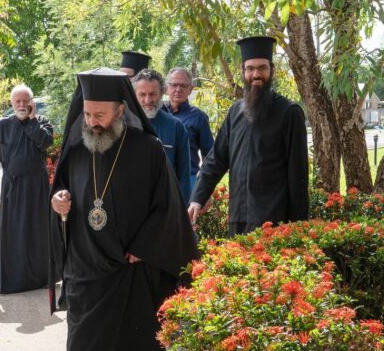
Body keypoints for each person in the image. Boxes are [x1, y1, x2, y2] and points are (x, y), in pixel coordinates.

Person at [48, 68, 198, 351]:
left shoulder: (147, 150)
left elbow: (168, 207)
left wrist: (145, 245)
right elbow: (63, 192)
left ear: (119, 111)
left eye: (100, 115)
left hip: (130, 266)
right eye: (87, 115)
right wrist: (59, 201)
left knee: (131, 344)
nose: (92, 123)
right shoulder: (77, 147)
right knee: (82, 350)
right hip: (85, 266)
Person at [188, 36, 309, 235]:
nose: (256, 74)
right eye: (250, 68)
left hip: (274, 222)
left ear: (272, 70)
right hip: (238, 218)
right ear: (243, 71)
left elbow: (298, 176)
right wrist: (197, 198)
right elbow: (216, 159)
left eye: (262, 68)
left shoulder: (289, 112)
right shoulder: (236, 111)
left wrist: (299, 228)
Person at [0, 84, 55, 294]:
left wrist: (32, 120)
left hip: (37, 187)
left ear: (31, 103)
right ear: (11, 103)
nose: (21, 105)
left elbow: (45, 142)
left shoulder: (42, 123)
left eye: (25, 101)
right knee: (13, 233)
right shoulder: (2, 126)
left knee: (38, 232)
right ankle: (15, 281)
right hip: (13, 187)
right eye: (17, 101)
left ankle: (41, 277)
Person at [132, 69, 191, 202]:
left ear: (162, 93)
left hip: (165, 204)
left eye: (153, 94)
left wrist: (182, 210)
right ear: (134, 94)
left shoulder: (176, 127)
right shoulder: (124, 125)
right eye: (142, 94)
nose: (147, 100)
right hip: (130, 203)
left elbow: (184, 175)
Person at [162, 67, 214, 196]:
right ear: (166, 87)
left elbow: (209, 156)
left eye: (183, 86)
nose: (178, 89)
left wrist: (205, 189)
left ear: (190, 89)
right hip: (158, 179)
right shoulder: (156, 113)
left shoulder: (198, 117)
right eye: (174, 85)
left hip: (187, 181)